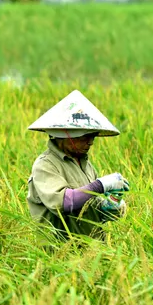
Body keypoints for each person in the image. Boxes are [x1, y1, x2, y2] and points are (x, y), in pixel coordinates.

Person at [26, 90, 130, 239]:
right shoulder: (46, 165)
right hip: (59, 254)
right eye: (85, 137)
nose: (91, 142)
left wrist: (112, 206)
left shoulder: (86, 166)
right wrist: (99, 186)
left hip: (91, 252)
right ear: (64, 134)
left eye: (93, 136)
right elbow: (62, 203)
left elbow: (91, 208)